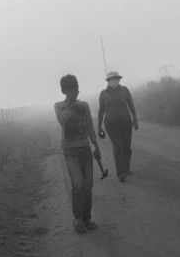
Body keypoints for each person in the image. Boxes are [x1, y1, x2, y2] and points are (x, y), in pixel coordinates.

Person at [54, 74, 101, 233]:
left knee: (88, 185)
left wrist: (96, 146)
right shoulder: (59, 106)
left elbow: (89, 126)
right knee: (78, 183)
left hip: (85, 149)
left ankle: (87, 218)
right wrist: (71, 105)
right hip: (70, 151)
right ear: (63, 91)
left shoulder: (85, 106)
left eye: (75, 89)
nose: (73, 92)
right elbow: (62, 120)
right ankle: (78, 218)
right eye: (69, 90)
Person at [98, 71, 138, 182]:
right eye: (111, 79)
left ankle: (126, 167)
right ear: (108, 81)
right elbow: (101, 110)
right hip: (111, 124)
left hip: (126, 122)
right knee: (118, 147)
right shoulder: (103, 93)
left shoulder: (125, 90)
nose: (114, 81)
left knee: (126, 147)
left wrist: (135, 118)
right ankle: (120, 173)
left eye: (116, 79)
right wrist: (99, 127)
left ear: (119, 79)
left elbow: (130, 104)